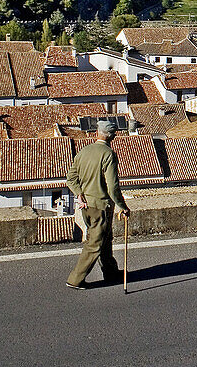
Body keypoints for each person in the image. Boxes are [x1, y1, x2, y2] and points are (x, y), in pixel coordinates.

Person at [65, 119, 131, 289]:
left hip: (86, 205)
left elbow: (71, 178)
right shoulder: (108, 154)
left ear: (97, 133)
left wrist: (79, 194)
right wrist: (123, 206)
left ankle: (110, 271)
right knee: (95, 243)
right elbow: (112, 186)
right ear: (113, 136)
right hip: (101, 206)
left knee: (105, 238)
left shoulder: (84, 151)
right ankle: (75, 279)